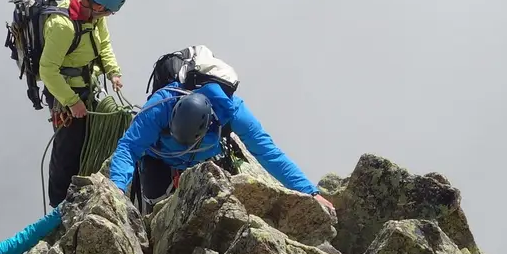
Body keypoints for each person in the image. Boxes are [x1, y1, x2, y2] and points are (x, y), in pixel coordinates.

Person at [107, 79, 336, 213]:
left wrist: (310, 192)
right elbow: (129, 147)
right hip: (158, 157)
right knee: (155, 203)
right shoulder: (160, 106)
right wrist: (116, 189)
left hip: (204, 160)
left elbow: (270, 154)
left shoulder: (235, 114)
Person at [40, 0, 127, 206]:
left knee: (84, 141)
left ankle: (80, 195)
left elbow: (104, 44)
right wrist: (71, 101)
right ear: (99, 5)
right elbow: (48, 70)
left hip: (87, 87)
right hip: (66, 95)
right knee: (67, 149)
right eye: (109, 11)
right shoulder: (63, 26)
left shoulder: (95, 16)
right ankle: (58, 206)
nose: (109, 16)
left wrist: (113, 72)